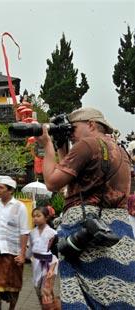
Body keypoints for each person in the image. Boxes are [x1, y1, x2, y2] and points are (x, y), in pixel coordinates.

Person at [37, 107, 134, 309]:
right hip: (118, 231)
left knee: (80, 295)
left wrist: (47, 145)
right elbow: (76, 176)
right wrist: (63, 145)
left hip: (84, 230)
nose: (71, 133)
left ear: (90, 124)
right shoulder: (121, 151)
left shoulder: (88, 145)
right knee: (114, 293)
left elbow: (53, 182)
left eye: (73, 128)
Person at [0, 175, 29, 310]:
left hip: (12, 251)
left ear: (10, 190)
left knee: (13, 285)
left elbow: (24, 232)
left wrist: (22, 254)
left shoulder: (19, 207)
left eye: (1, 188)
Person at [28, 207, 58, 308]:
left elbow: (55, 253)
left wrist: (52, 268)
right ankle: (51, 307)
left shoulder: (53, 233)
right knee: (38, 290)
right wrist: (24, 257)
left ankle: (49, 306)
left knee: (46, 291)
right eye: (33, 216)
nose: (35, 218)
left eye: (38, 215)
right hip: (36, 264)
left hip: (49, 264)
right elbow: (30, 250)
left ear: (46, 217)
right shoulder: (32, 233)